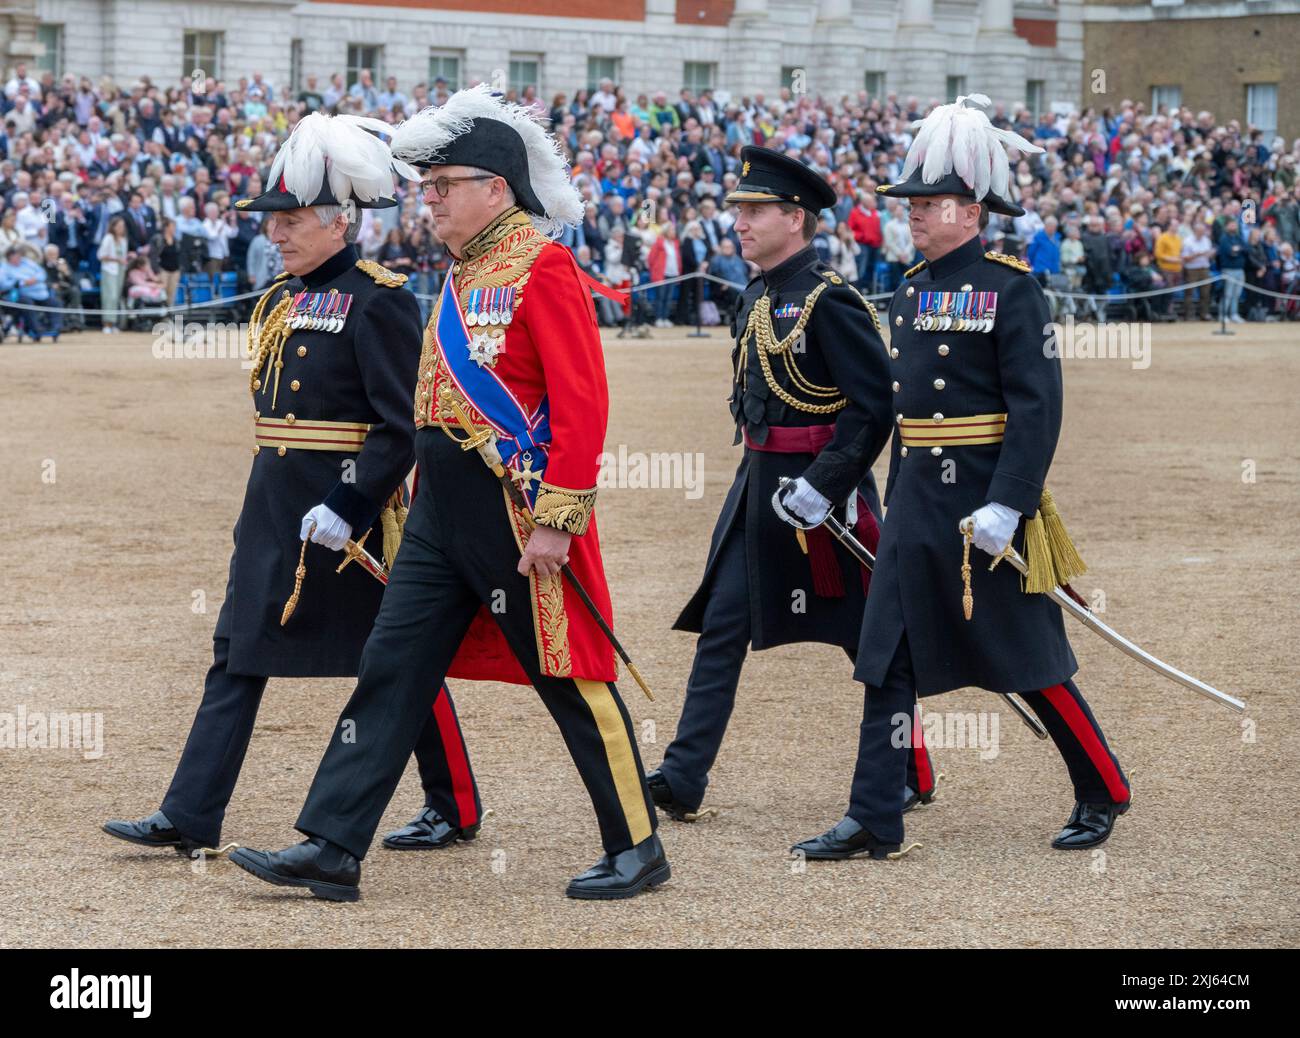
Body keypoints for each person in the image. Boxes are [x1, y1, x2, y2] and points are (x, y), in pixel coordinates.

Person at [228, 86, 667, 902]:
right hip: (440, 512)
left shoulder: (545, 265)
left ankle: (638, 843)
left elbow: (581, 400)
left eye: (442, 186)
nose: (427, 200)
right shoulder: (466, 271)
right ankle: (331, 843)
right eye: (425, 188)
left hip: (513, 509)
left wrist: (558, 519)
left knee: (568, 675)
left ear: (495, 189)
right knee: (390, 668)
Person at [103, 113, 482, 869]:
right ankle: (189, 814)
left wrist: (351, 504)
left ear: (340, 223)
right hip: (274, 508)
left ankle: (452, 804)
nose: (276, 233)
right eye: (272, 221)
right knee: (237, 652)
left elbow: (400, 426)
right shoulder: (279, 297)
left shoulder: (380, 300)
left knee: (396, 662)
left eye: (292, 219)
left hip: (348, 516)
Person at [794, 94, 1130, 862]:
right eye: (910, 200)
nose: (912, 212)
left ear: (973, 211)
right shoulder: (909, 289)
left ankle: (1103, 785)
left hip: (983, 502)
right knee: (886, 657)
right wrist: (835, 478)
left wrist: (1009, 506)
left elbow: (1037, 410)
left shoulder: (1014, 289)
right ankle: (876, 814)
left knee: (1029, 661)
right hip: (917, 502)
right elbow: (894, 407)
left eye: (930, 201)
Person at [647, 147, 937, 825]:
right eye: (739, 211)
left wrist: (826, 485)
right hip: (758, 488)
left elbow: (873, 408)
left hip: (822, 501)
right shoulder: (757, 293)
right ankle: (685, 774)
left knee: (868, 638)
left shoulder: (829, 301)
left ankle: (909, 766)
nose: (740, 223)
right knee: (721, 625)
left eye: (754, 211)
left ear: (795, 218)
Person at [0, 244, 55, 341]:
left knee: (55, 302)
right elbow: (3, 284)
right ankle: (36, 330)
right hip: (19, 296)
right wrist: (21, 282)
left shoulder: (28, 263)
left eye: (19, 256)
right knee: (27, 303)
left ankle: (55, 328)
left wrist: (34, 279)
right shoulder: (4, 268)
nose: (19, 258)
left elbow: (42, 273)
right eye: (16, 256)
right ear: (9, 257)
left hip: (41, 293)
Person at [96, 214, 128, 333]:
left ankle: (113, 323)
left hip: (120, 270)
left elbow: (123, 256)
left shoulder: (124, 240)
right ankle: (106, 324)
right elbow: (101, 255)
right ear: (113, 227)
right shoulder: (108, 238)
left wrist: (125, 258)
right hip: (109, 270)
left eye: (122, 226)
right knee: (110, 296)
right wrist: (116, 259)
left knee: (117, 297)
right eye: (119, 226)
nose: (121, 228)